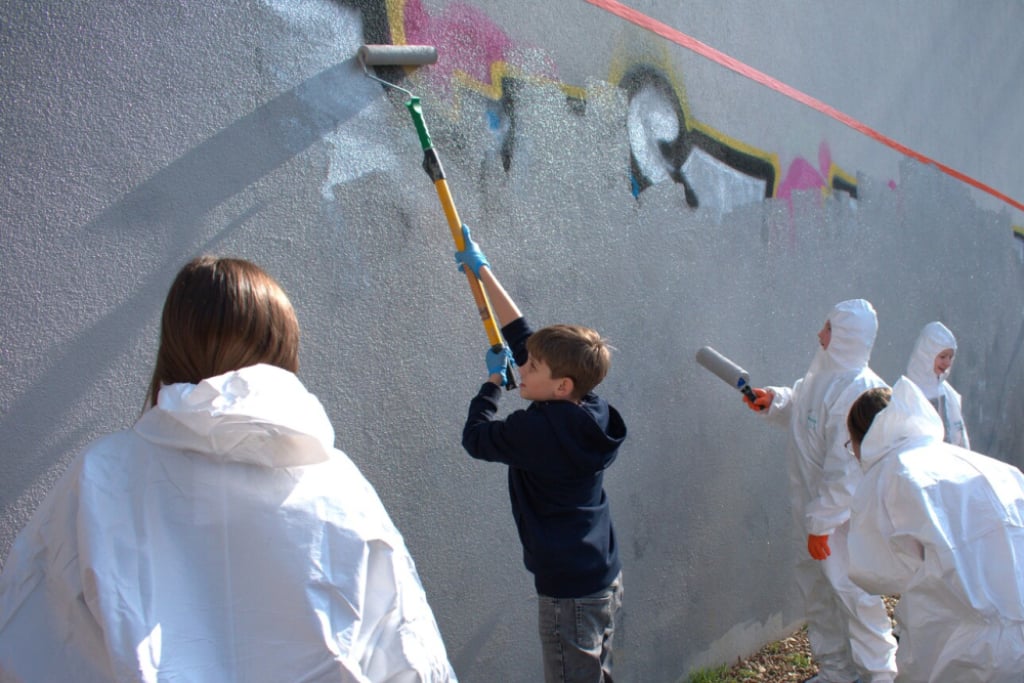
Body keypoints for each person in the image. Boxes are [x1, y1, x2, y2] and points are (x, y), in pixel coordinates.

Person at [0, 256, 457, 683]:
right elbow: (407, 650)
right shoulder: (337, 481)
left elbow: (31, 636)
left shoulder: (102, 475)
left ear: (175, 345)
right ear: (282, 346)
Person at [454, 226, 627, 683]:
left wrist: (491, 385)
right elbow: (524, 338)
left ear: (561, 386)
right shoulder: (592, 407)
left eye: (530, 368)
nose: (520, 368)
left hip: (568, 594)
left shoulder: (536, 432)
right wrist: (483, 271)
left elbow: (475, 438)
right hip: (602, 574)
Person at [744, 299, 897, 683]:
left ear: (845, 335)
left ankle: (879, 674)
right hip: (815, 515)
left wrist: (823, 524)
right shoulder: (824, 377)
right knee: (820, 596)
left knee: (856, 599)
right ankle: (836, 672)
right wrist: (775, 400)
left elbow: (848, 470)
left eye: (828, 328)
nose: (819, 335)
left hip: (844, 526)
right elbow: (803, 404)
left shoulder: (861, 390)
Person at [845, 378, 1024, 682]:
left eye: (851, 445)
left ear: (865, 438)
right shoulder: (974, 461)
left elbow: (876, 573)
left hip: (964, 644)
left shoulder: (892, 474)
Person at [904, 321, 969, 448]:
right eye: (943, 356)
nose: (947, 363)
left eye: (951, 357)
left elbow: (960, 437)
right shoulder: (908, 392)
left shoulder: (948, 393)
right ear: (926, 354)